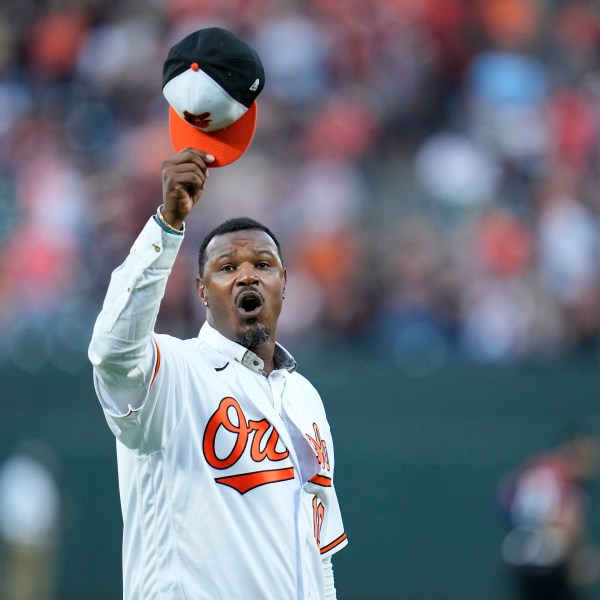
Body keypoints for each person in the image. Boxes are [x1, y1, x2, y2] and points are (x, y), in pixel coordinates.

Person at [88, 148, 348, 599]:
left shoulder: (304, 397)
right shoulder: (175, 372)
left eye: (262, 265)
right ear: (202, 291)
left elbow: (318, 554)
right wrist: (166, 227)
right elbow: (113, 352)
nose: (247, 276)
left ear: (284, 281)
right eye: (227, 267)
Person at [497, 430, 600, 600]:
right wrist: (575, 559)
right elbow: (560, 522)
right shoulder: (555, 475)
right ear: (577, 450)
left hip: (528, 561)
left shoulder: (544, 471)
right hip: (548, 567)